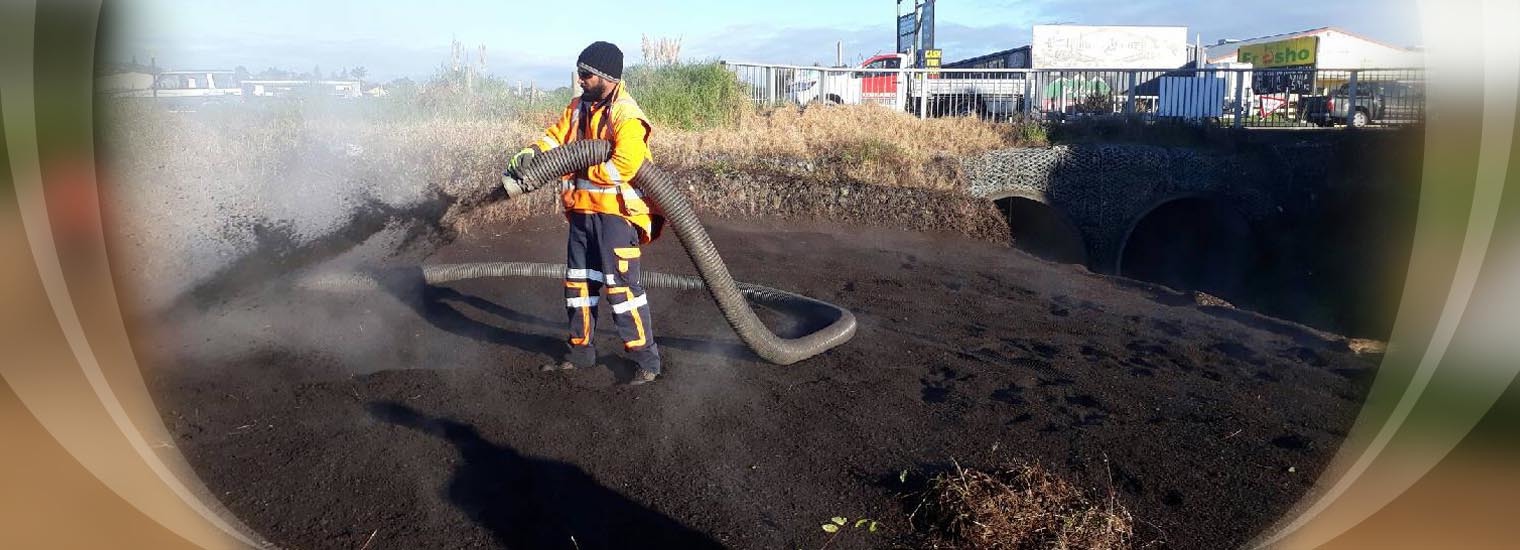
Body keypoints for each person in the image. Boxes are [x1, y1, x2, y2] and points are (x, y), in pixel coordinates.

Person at [506, 41, 664, 385]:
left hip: (616, 219)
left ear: (606, 77)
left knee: (622, 291)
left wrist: (580, 170)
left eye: (586, 74)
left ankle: (646, 361)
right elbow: (556, 138)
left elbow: (624, 163)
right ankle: (581, 353)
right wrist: (533, 151)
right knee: (579, 286)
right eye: (579, 72)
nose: (579, 79)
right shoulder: (579, 107)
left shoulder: (626, 114)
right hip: (582, 216)